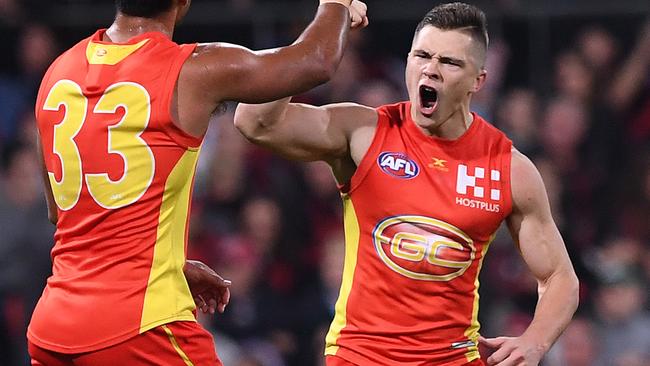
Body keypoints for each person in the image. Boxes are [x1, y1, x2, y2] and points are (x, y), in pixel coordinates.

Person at [234, 2, 579, 365]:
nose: (430, 70)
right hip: (360, 358)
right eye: (422, 56)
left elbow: (560, 278)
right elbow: (255, 121)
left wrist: (536, 341)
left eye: (449, 62)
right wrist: (317, 42)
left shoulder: (507, 169)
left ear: (478, 81)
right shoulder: (364, 134)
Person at [29, 0, 368, 365]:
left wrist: (167, 262)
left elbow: (63, 213)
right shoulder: (190, 70)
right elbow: (314, 61)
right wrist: (337, 5)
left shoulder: (58, 71)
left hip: (52, 329)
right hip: (140, 328)